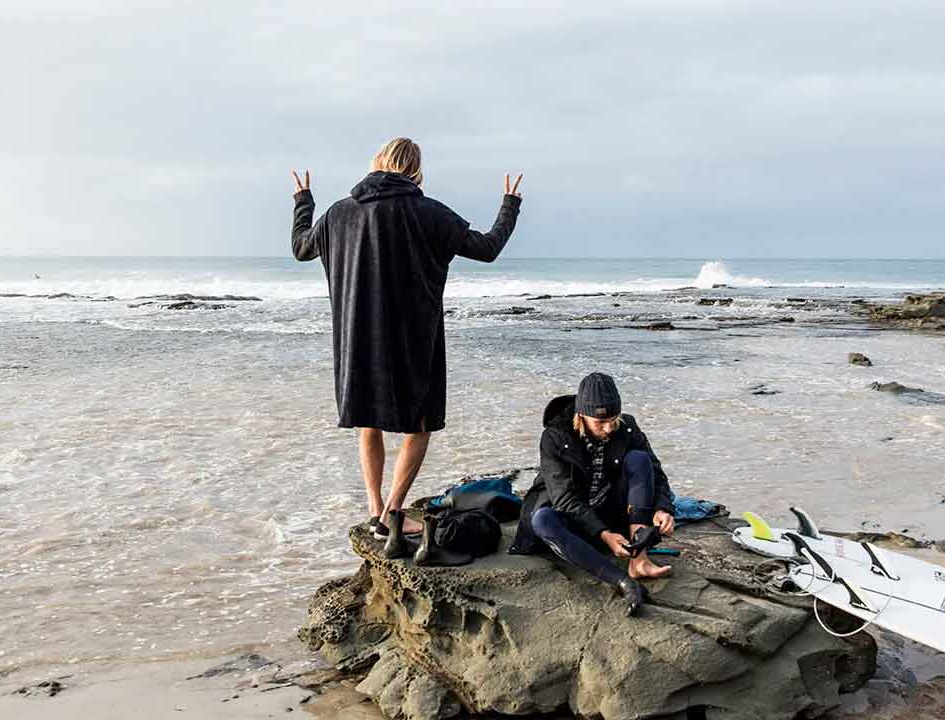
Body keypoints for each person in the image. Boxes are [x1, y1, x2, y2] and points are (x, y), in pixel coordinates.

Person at [290, 138, 523, 554]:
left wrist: (303, 200)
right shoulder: (429, 213)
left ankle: (375, 508)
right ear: (416, 170)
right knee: (420, 423)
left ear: (376, 162)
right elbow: (487, 248)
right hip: (414, 338)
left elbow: (301, 248)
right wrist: (510, 204)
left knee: (368, 419)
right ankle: (393, 511)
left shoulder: (340, 213)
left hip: (358, 337)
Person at [509, 373, 676, 615]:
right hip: (574, 519)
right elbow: (564, 499)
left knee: (639, 460)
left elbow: (656, 473)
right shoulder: (554, 437)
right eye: (600, 422)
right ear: (581, 415)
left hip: (610, 510)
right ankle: (623, 581)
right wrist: (604, 535)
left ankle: (639, 559)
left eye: (613, 419)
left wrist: (663, 508)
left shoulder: (627, 427)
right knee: (541, 520)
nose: (609, 428)